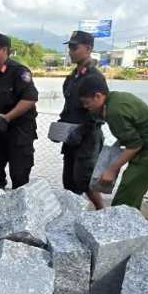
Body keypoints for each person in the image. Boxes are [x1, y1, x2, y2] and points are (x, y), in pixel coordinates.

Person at [78, 81, 148, 209]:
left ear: (98, 96)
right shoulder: (116, 98)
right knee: (131, 196)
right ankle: (132, 225)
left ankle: (120, 227)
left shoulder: (114, 111)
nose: (85, 106)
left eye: (86, 103)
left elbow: (134, 145)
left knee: (124, 201)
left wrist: (110, 170)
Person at [0, 32, 38, 189]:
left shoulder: (19, 72)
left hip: (20, 133)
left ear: (4, 50)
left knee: (19, 178)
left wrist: (6, 118)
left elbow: (30, 98)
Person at [59, 30, 108, 208]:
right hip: (70, 137)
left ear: (88, 48)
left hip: (88, 137)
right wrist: (59, 127)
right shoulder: (72, 78)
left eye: (74, 47)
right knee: (69, 181)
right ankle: (73, 213)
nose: (70, 51)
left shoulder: (95, 78)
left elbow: (101, 112)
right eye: (69, 47)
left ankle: (102, 211)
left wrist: (81, 131)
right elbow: (68, 108)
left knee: (85, 180)